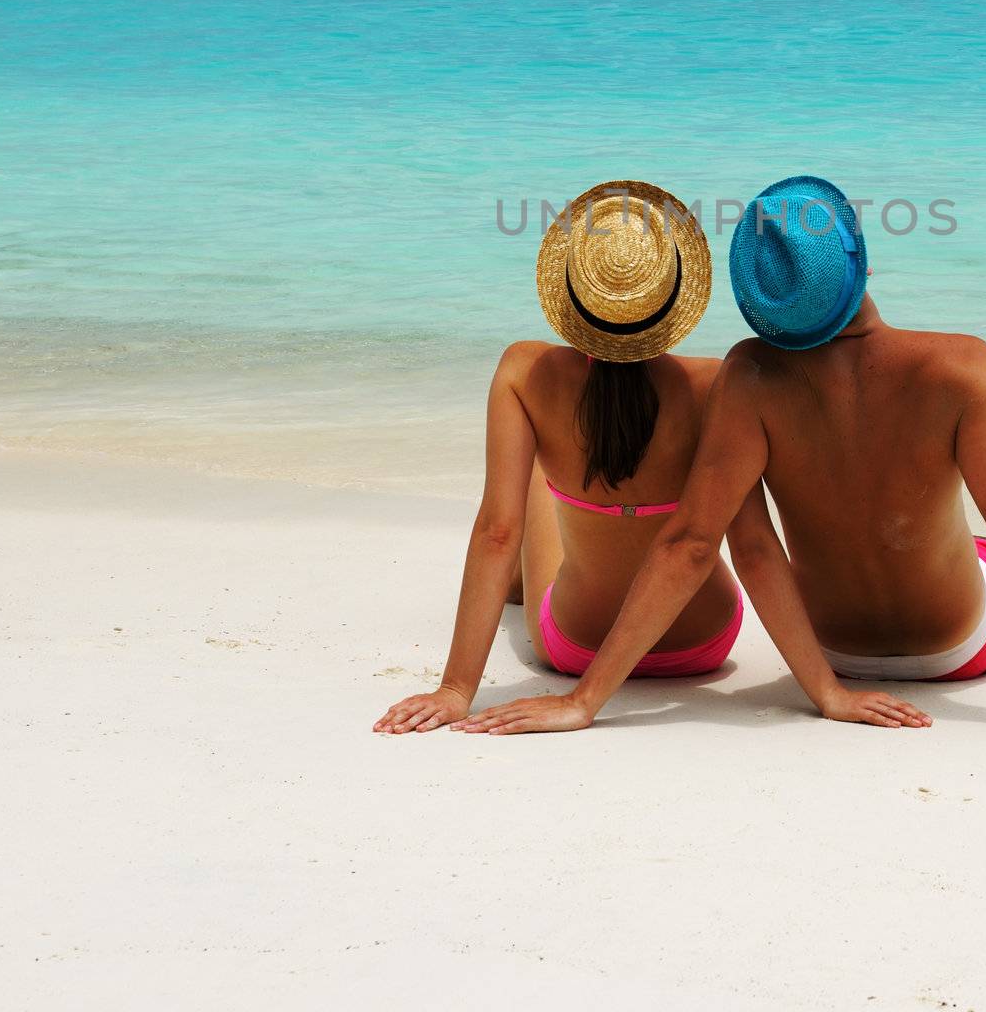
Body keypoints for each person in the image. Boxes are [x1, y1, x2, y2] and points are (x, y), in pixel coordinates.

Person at [460, 174, 986, 747]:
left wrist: (591, 700)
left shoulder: (749, 376)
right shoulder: (961, 367)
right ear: (862, 259)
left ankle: (535, 592)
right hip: (961, 649)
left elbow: (697, 542)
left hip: (831, 649)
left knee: (547, 487)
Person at [375, 177, 915, 735]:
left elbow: (497, 532)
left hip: (575, 647)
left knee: (537, 473)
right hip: (703, 645)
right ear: (679, 296)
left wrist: (457, 689)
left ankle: (515, 587)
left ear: (569, 295)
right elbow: (753, 548)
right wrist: (826, 691)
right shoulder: (719, 384)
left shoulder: (524, 373)